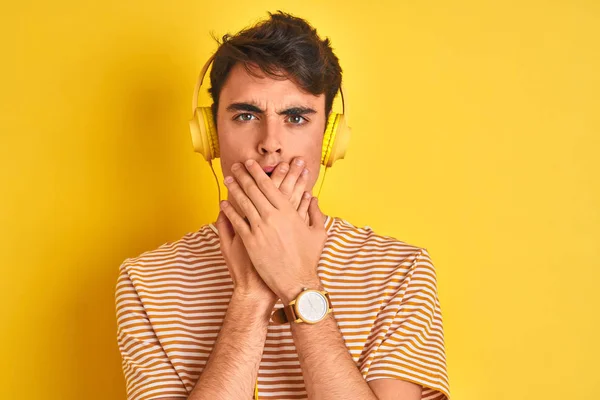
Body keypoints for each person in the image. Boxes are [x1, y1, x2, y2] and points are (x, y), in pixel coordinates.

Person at [115, 11, 450, 400]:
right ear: (210, 135)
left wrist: (298, 283)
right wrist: (250, 296)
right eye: (246, 115)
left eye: (295, 117)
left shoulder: (400, 272)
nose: (270, 142)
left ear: (329, 138)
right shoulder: (146, 281)